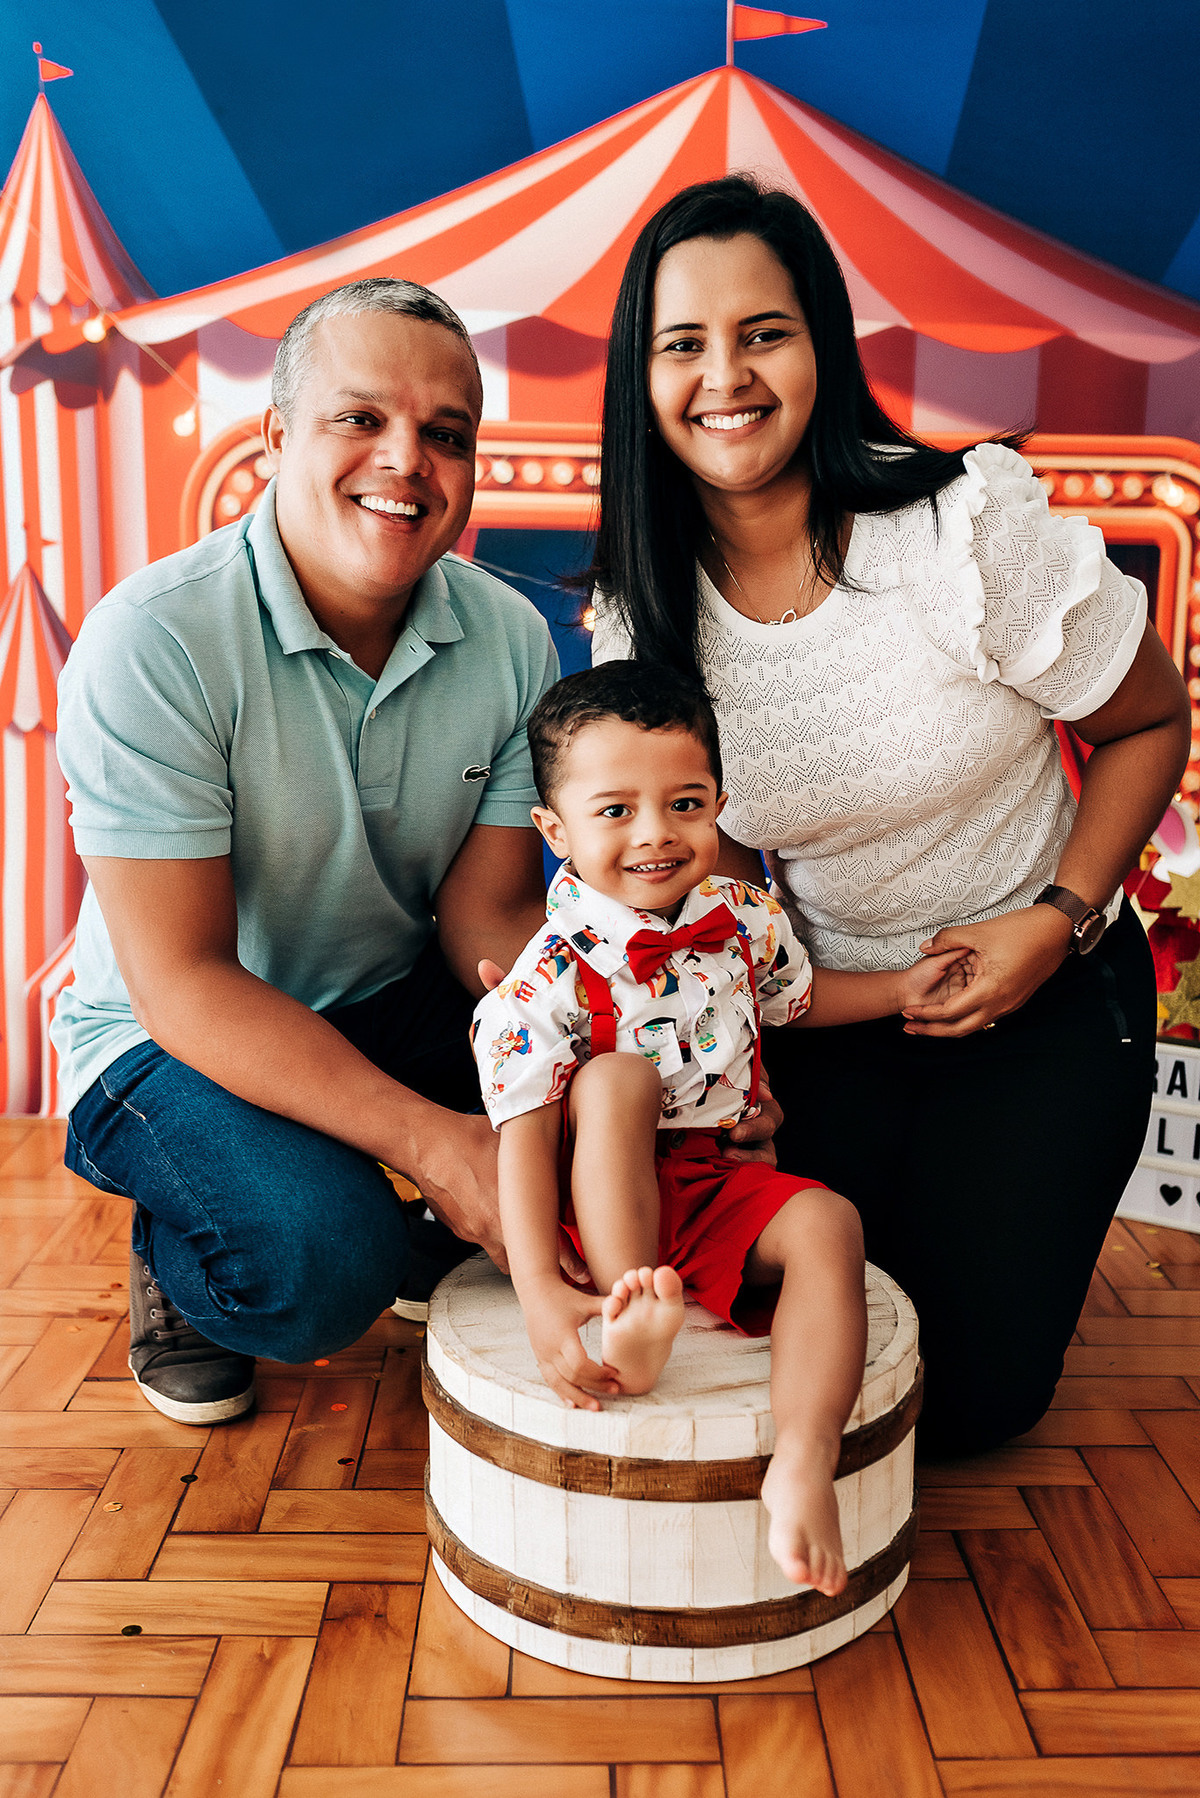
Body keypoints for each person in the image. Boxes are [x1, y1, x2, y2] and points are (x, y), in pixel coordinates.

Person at [589, 175, 1192, 1456]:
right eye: (683, 344)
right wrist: (739, 1068)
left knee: (965, 1400)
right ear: (640, 379)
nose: (725, 377)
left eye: (764, 332)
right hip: (835, 1016)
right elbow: (718, 877)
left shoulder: (960, 533)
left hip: (1049, 990)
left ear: (822, 345)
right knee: (815, 1339)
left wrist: (1057, 919)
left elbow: (1151, 721)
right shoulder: (646, 614)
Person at [53, 277, 564, 1427]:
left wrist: (626, 1050)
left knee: (604, 1115)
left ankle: (408, 1212)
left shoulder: (511, 637)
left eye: (446, 434)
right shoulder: (153, 639)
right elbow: (182, 982)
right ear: (277, 437)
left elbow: (487, 923)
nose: (407, 460)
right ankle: (184, 1237)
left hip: (384, 992)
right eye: (360, 418)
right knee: (321, 1265)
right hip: (164, 1035)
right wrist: (437, 1143)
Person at [473, 661, 968, 1590]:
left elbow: (798, 1002)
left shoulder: (743, 918)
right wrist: (539, 1286)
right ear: (555, 829)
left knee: (830, 1222)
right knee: (616, 1078)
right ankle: (634, 1308)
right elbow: (525, 1135)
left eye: (685, 804)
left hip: (715, 1176)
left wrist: (899, 989)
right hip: (598, 1187)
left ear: (720, 806)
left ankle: (805, 1457)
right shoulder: (543, 977)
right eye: (615, 810)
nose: (655, 833)